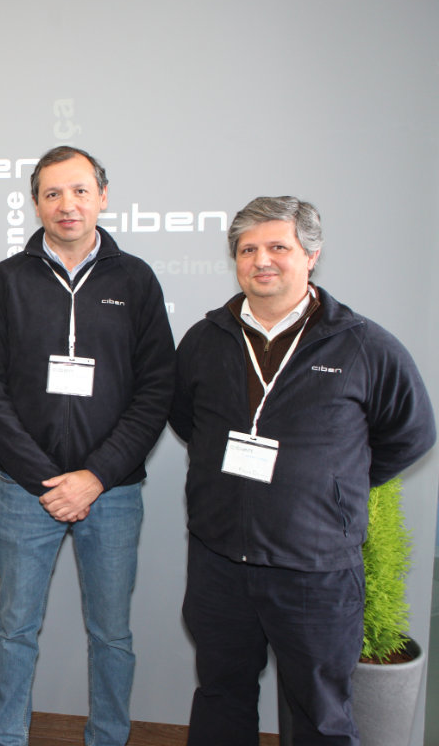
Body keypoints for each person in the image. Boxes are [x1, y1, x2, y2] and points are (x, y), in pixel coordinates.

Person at [170, 196, 435, 745]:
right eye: (248, 249)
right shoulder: (205, 340)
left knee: (320, 714)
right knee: (220, 695)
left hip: (315, 570)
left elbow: (411, 432)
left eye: (278, 247)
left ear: (310, 255)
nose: (261, 260)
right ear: (235, 260)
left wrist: (333, 486)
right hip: (220, 561)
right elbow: (186, 418)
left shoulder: (364, 345)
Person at [0, 146, 174, 746]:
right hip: (25, 490)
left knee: (111, 632)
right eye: (53, 193)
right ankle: (6, 735)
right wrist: (43, 477)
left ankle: (108, 736)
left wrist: (96, 475)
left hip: (112, 493)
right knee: (15, 628)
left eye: (80, 191)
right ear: (35, 203)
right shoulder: (7, 280)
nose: (67, 205)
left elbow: (156, 387)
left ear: (102, 197)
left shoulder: (135, 279)